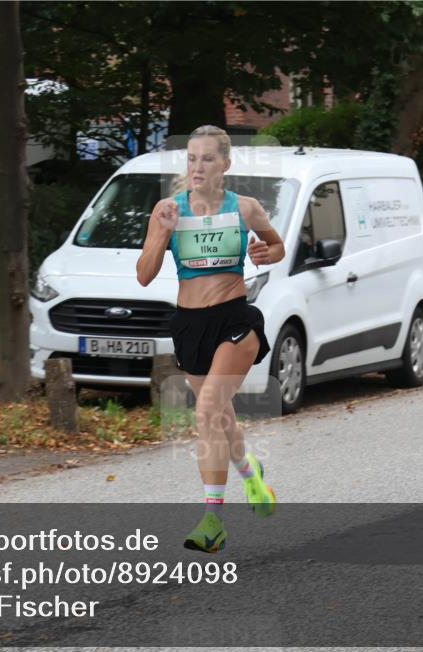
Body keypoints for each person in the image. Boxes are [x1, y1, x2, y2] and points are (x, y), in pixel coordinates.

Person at [136, 125, 286, 552]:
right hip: (189, 325)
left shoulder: (246, 208)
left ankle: (213, 519)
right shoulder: (168, 209)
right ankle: (251, 475)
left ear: (225, 164)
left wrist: (265, 252)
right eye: (191, 158)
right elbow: (144, 275)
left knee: (206, 410)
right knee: (220, 417)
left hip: (234, 320)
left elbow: (275, 246)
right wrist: (162, 233)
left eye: (207, 159)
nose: (197, 166)